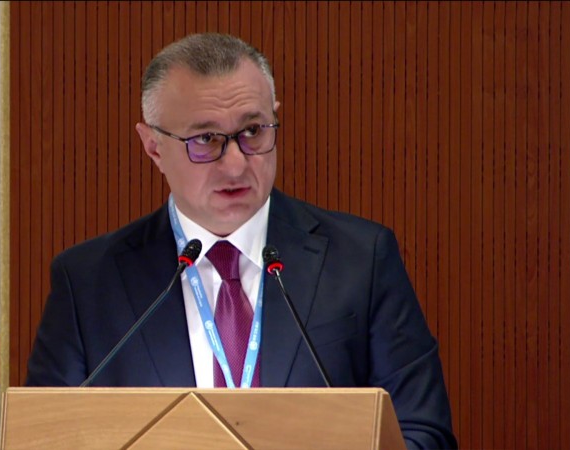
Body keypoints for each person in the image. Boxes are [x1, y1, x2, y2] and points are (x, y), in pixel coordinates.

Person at [26, 33, 457, 449]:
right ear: (153, 146)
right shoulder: (88, 283)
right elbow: (44, 439)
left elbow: (424, 433)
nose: (235, 165)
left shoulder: (361, 260)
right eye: (205, 139)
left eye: (253, 131)